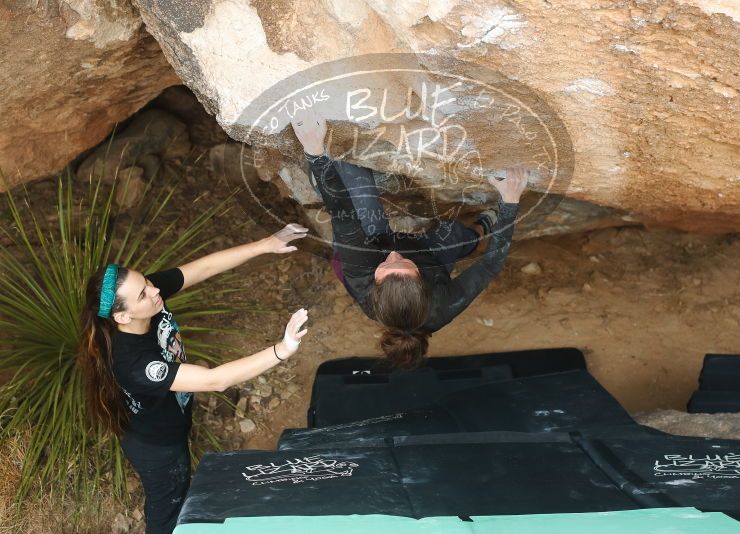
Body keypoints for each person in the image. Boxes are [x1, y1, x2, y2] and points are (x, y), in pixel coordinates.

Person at [78, 223, 309, 534]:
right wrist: (282, 349)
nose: (155, 290)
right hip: (158, 446)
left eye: (147, 281)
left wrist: (266, 244)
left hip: (171, 420)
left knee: (180, 497)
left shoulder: (149, 301)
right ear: (122, 316)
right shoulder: (134, 363)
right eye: (144, 293)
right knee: (167, 512)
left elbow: (202, 268)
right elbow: (215, 380)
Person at [291, 112, 527, 368]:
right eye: (404, 263)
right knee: (456, 238)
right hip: (429, 256)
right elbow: (491, 264)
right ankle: (481, 228)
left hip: (372, 245)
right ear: (423, 282)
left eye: (388, 266)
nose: (394, 255)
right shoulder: (444, 304)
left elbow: (343, 215)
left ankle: (325, 175)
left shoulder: (361, 273)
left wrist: (315, 154)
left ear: (375, 283)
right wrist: (509, 202)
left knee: (351, 173)